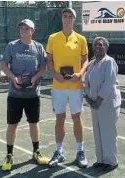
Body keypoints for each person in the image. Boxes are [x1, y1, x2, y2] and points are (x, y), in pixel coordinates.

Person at [1, 19, 49, 171]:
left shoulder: (39, 47)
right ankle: (9, 155)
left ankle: (36, 152)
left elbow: (44, 67)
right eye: (21, 27)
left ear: (32, 31)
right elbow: (4, 65)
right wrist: (13, 78)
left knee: (34, 123)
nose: (23, 30)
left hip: (32, 95)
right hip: (15, 94)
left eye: (26, 28)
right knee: (12, 125)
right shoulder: (12, 46)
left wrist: (35, 78)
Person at [46, 8, 89, 168]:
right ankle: (59, 152)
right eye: (65, 16)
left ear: (74, 20)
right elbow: (49, 60)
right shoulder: (52, 38)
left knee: (77, 117)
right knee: (60, 118)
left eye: (70, 16)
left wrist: (80, 73)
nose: (67, 19)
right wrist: (55, 74)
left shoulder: (81, 39)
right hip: (58, 86)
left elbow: (86, 60)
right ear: (61, 19)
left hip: (76, 86)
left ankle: (80, 151)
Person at [84, 37, 121, 171]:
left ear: (106, 47)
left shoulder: (109, 61)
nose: (97, 47)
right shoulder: (92, 63)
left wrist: (98, 100)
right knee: (97, 132)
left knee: (108, 133)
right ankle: (100, 159)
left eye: (100, 45)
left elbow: (109, 84)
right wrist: (88, 98)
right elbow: (86, 82)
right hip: (94, 104)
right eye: (95, 45)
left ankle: (111, 161)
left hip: (107, 103)